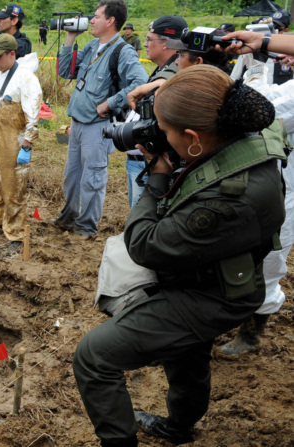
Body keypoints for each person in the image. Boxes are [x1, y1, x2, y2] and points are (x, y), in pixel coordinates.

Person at [73, 65, 286, 447]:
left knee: (94, 356)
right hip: (225, 274)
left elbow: (145, 244)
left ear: (192, 137)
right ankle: (179, 427)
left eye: (164, 130)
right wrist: (168, 90)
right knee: (188, 354)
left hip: (213, 295)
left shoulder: (229, 200)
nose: (158, 135)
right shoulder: (245, 127)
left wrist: (156, 175)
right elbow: (223, 91)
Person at [215, 51, 294, 356]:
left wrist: (257, 71)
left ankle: (250, 335)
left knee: (270, 259)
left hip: (284, 187)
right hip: (256, 179)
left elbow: (262, 111)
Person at [54, 0, 147, 238]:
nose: (91, 21)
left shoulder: (122, 51)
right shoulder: (92, 45)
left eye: (96, 16)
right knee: (72, 176)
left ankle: (86, 226)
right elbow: (66, 72)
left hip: (98, 126)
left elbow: (140, 83)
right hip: (77, 123)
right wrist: (70, 38)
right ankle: (69, 216)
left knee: (92, 178)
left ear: (111, 21)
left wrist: (110, 103)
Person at [0, 34, 41, 248]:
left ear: (12, 54)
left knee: (14, 189)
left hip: (15, 142)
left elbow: (33, 116)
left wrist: (27, 145)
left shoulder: (27, 79)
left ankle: (16, 232)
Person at [121, 16, 186, 209]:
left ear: (166, 42)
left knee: (145, 217)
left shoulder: (177, 69)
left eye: (150, 39)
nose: (146, 44)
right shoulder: (162, 68)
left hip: (157, 163)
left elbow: (172, 83)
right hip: (143, 160)